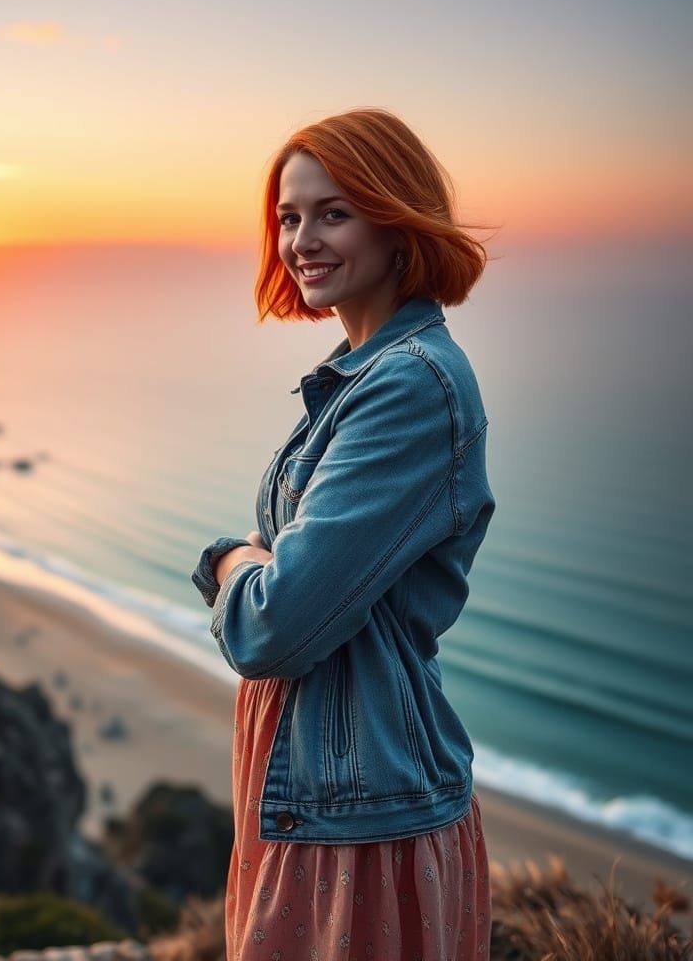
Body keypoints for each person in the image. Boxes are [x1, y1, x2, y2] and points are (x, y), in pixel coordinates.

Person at [191, 107, 496, 960]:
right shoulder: (357, 379)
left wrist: (231, 561)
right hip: (319, 788)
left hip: (361, 811)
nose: (301, 240)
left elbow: (272, 626)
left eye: (333, 212)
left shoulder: (410, 387)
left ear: (397, 224)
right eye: (289, 217)